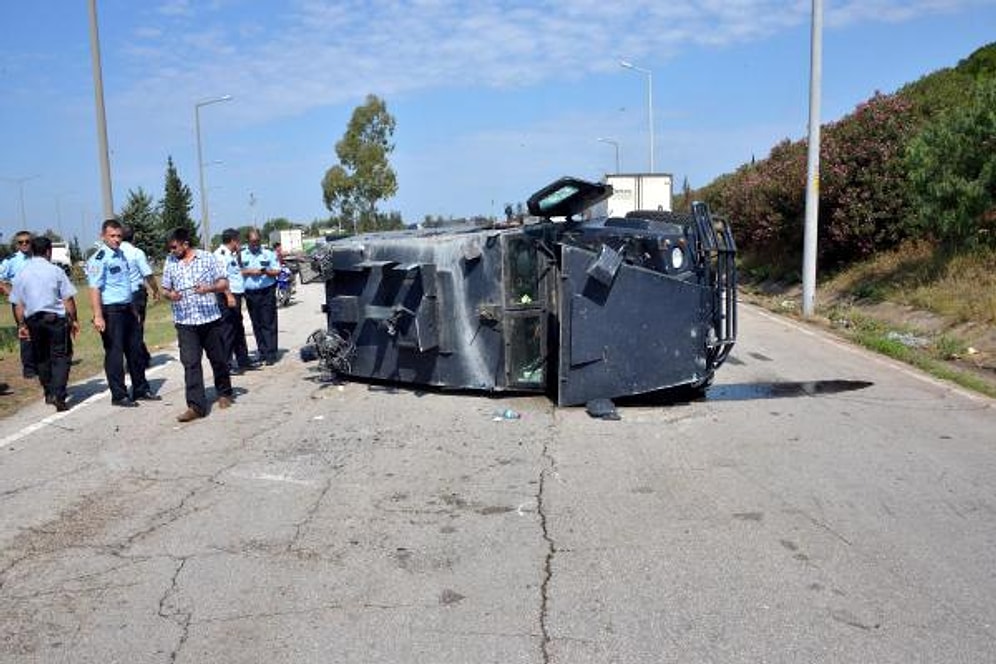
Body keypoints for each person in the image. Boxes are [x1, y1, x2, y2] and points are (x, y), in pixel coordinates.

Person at [161, 227, 234, 422]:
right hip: (185, 321)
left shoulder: (207, 258)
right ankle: (196, 406)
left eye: (175, 247)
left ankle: (224, 393)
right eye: (170, 248)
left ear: (185, 244)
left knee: (218, 359)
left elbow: (224, 283)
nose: (172, 251)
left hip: (210, 319)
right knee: (190, 363)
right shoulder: (170, 262)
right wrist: (171, 295)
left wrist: (208, 288)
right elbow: (165, 289)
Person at [86, 219, 159, 407]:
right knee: (115, 354)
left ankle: (141, 389)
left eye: (119, 236)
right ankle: (119, 395)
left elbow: (126, 285)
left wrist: (134, 309)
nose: (116, 239)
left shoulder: (122, 255)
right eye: (112, 236)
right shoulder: (99, 259)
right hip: (111, 312)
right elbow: (94, 289)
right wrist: (98, 315)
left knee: (135, 351)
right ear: (103, 236)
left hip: (128, 309)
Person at [10, 236, 80, 411]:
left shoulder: (22, 273)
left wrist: (21, 325)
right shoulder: (55, 271)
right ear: (49, 251)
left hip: (33, 320)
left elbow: (18, 304)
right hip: (55, 319)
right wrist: (74, 319)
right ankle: (59, 393)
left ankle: (49, 392)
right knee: (61, 356)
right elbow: (68, 299)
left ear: (32, 250)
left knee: (41, 357)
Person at [213, 228, 255, 372]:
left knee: (238, 328)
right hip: (227, 296)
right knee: (228, 329)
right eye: (238, 241)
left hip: (235, 294)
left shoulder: (231, 254)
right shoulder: (220, 255)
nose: (240, 244)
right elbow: (220, 277)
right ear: (233, 241)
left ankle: (243, 360)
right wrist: (229, 295)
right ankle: (227, 363)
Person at [121, 224, 160, 368]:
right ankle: (137, 360)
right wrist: (155, 290)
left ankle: (141, 356)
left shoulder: (115, 252)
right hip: (136, 294)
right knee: (137, 328)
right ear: (134, 237)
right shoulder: (136, 252)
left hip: (119, 296)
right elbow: (147, 274)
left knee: (125, 329)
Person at [240, 228, 280, 365]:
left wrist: (265, 272)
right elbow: (236, 271)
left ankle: (271, 353)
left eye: (257, 241)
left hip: (266, 291)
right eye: (252, 242)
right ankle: (262, 351)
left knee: (268, 322)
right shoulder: (241, 255)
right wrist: (250, 271)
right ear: (248, 241)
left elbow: (277, 270)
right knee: (256, 323)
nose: (255, 244)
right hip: (250, 293)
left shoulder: (268, 253)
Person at [0, 230, 38, 379]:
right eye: (21, 242)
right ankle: (29, 368)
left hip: (38, 300)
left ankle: (41, 363)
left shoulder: (37, 257)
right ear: (16, 244)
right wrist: (10, 292)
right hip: (21, 303)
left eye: (27, 241)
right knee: (25, 333)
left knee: (41, 331)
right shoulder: (11, 260)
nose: (24, 244)